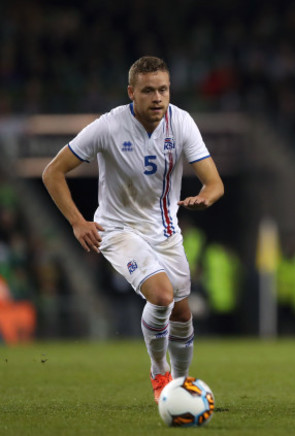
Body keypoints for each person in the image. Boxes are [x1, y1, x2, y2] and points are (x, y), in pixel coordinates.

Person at [41, 56, 225, 403]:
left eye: (164, 89)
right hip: (118, 229)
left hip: (166, 231)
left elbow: (214, 183)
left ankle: (182, 386)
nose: (158, 98)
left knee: (182, 314)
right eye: (149, 91)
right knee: (162, 296)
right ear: (132, 93)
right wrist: (78, 221)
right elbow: (52, 172)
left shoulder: (181, 123)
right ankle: (159, 372)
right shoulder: (108, 126)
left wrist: (206, 198)